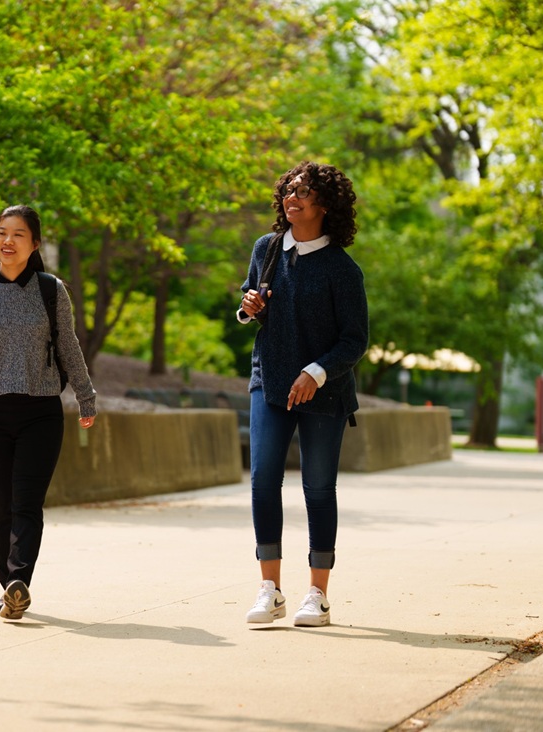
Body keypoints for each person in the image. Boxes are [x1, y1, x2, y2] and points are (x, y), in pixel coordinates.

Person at [0, 204, 97, 621]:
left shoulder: (51, 290)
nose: (7, 241)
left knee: (27, 502)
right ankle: (8, 586)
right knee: (2, 503)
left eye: (18, 235)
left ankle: (19, 581)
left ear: (35, 244)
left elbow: (68, 347)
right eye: (1, 233)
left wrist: (86, 397)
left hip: (40, 412)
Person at [236, 161, 369, 628]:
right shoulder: (267, 248)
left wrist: (316, 373)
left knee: (317, 488)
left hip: (325, 393)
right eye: (289, 190)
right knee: (263, 480)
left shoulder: (342, 269)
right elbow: (250, 301)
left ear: (325, 206)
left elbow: (355, 340)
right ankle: (270, 589)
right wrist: (248, 307)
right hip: (269, 381)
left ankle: (318, 594)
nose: (293, 197)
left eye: (305, 192)